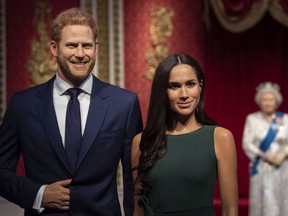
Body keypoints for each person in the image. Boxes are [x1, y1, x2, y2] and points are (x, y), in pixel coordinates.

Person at [0, 8, 143, 216]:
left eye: (86, 46)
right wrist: (38, 194)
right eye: (71, 45)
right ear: (54, 48)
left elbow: (134, 179)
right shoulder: (23, 104)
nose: (80, 53)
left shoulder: (124, 103)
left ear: (96, 48)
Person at [131, 53, 238, 216]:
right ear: (163, 91)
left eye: (190, 84)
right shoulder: (142, 141)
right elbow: (138, 210)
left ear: (200, 86)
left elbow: (230, 209)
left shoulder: (220, 137)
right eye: (174, 86)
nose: (184, 94)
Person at [242, 82, 288, 216]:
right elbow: (247, 143)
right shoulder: (252, 119)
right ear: (259, 102)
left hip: (283, 166)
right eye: (264, 99)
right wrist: (267, 156)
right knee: (264, 200)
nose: (268, 102)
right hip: (262, 166)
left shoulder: (284, 119)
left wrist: (282, 155)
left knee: (282, 198)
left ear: (277, 101)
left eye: (271, 99)